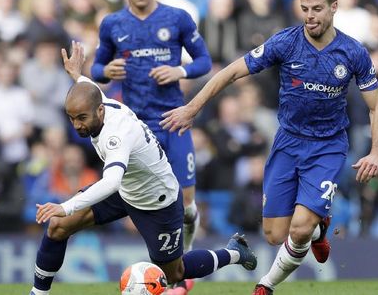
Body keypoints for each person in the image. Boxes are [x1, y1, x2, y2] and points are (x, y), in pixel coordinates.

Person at [161, 0, 378, 295]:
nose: (310, 16)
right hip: (288, 142)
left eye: (317, 9)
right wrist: (193, 107)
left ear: (334, 8)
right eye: (305, 9)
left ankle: (265, 284)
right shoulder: (286, 42)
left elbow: (376, 108)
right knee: (273, 234)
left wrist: (376, 152)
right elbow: (230, 72)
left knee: (298, 229)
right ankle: (318, 230)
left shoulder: (353, 52)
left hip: (328, 146)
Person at [28, 41, 256, 295]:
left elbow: (111, 181)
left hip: (157, 201)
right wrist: (76, 74)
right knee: (58, 225)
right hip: (127, 188)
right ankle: (38, 294)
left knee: (174, 273)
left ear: (100, 111)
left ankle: (234, 252)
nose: (78, 126)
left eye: (82, 118)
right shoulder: (99, 105)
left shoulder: (117, 134)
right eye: (72, 119)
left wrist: (65, 205)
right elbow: (90, 91)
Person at [90, 0, 212, 258]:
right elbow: (95, 69)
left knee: (185, 205)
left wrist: (179, 71)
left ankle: (187, 252)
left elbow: (204, 61)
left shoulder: (178, 18)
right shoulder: (113, 24)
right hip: (137, 127)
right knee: (142, 201)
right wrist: (107, 71)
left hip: (174, 119)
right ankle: (170, 264)